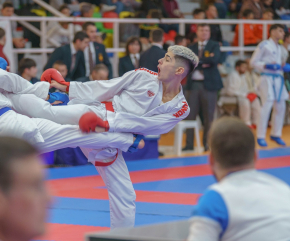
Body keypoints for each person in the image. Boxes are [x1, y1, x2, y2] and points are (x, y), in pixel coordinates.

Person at [15, 45, 197, 228]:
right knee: (47, 115)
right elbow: (106, 87)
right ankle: (6, 91)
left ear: (179, 71)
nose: (160, 61)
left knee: (125, 195)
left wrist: (109, 125)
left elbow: (151, 126)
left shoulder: (180, 108)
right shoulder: (143, 75)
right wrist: (67, 87)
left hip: (111, 136)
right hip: (96, 114)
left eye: (166, 59)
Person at [0, 38, 138, 155]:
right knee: (72, 133)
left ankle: (125, 140)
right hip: (11, 125)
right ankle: (128, 140)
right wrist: (47, 91)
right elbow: (17, 84)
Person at [184, 24, 222, 151]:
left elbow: (215, 60)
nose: (204, 32)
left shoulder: (215, 45)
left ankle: (207, 144)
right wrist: (205, 61)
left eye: (207, 30)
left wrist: (198, 61)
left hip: (209, 85)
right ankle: (189, 144)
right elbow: (187, 63)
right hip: (193, 84)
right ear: (197, 32)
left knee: (209, 116)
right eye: (202, 30)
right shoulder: (191, 47)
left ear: (210, 32)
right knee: (190, 115)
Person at [250, 24, 289, 147]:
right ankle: (260, 135)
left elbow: (281, 63)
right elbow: (253, 62)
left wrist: (283, 67)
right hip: (266, 77)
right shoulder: (264, 45)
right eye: (280, 30)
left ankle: (276, 133)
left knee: (281, 105)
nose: (283, 33)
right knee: (267, 104)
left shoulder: (280, 48)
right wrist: (266, 65)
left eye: (283, 32)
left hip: (278, 78)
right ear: (272, 32)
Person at [223, 60, 261, 128]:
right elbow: (230, 91)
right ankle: (246, 123)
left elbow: (245, 89)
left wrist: (249, 94)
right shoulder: (233, 75)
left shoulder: (243, 76)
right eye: (243, 67)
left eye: (246, 67)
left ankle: (256, 123)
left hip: (241, 95)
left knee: (256, 100)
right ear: (237, 68)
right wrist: (245, 95)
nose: (245, 69)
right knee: (245, 100)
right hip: (229, 97)